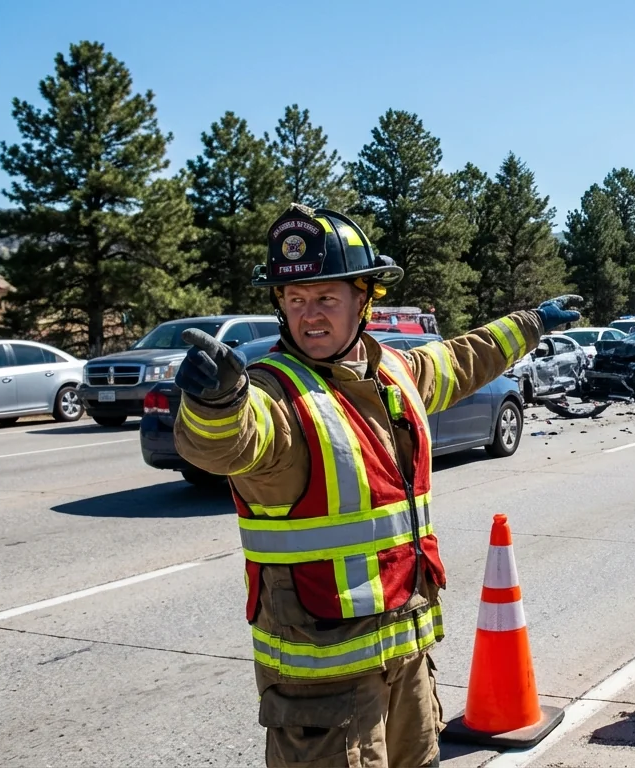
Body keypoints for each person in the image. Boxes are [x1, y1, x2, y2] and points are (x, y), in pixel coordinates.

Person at [172, 203, 581, 768]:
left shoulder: (393, 371)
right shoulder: (273, 393)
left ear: (364, 299)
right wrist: (216, 402)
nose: (309, 315)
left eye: (326, 297)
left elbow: (464, 358)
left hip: (405, 658)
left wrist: (531, 323)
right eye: (295, 300)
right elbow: (225, 445)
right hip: (325, 688)